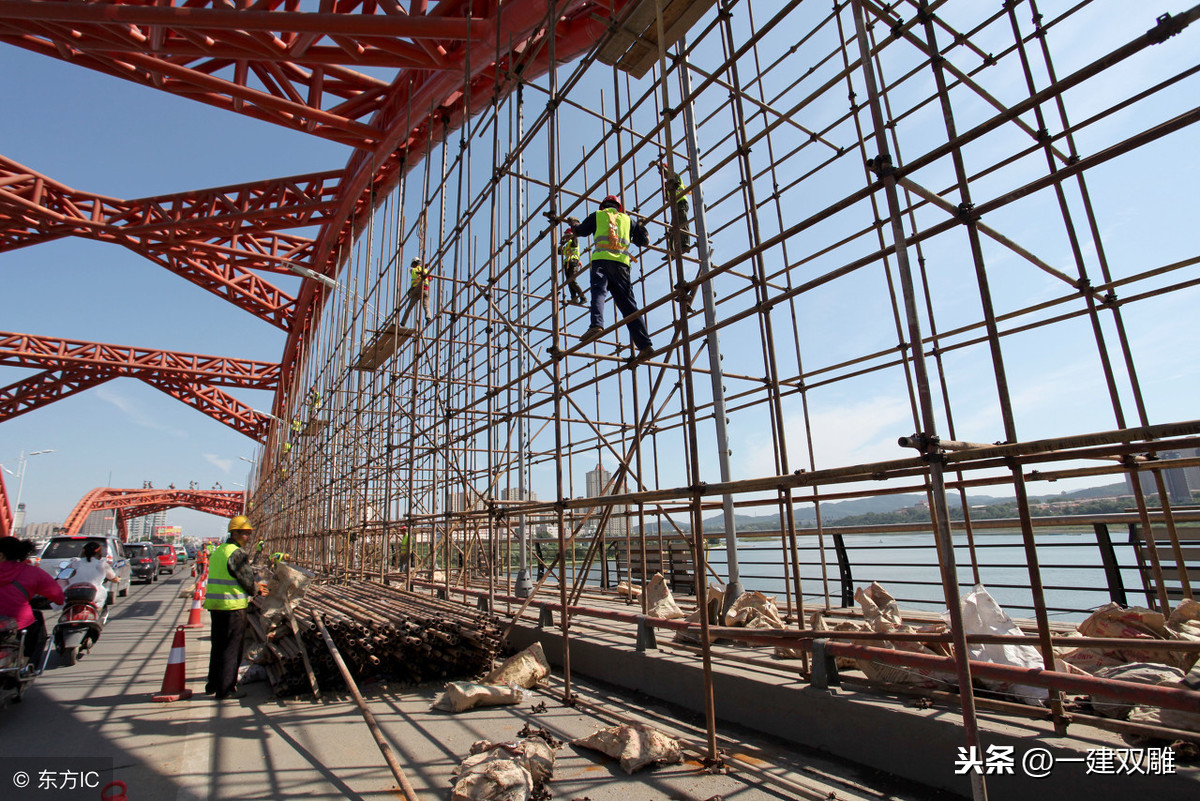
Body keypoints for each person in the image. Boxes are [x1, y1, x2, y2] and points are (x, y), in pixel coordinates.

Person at [570, 195, 653, 358]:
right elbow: (644, 242)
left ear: (603, 206)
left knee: (599, 293)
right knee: (629, 306)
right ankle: (645, 346)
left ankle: (596, 325)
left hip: (601, 261)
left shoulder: (598, 216)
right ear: (619, 208)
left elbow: (580, 231)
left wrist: (573, 223)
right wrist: (642, 227)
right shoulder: (628, 220)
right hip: (622, 265)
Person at [203, 515, 267, 699]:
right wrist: (257, 588)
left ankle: (213, 683)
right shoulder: (236, 553)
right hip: (232, 607)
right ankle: (226, 689)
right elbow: (246, 579)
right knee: (232, 649)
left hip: (216, 606)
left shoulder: (219, 551)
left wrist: (255, 587)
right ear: (235, 533)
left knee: (218, 646)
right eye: (245, 534)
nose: (248, 537)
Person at [0, 537, 65, 672]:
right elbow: (58, 596)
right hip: (20, 623)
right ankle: (29, 667)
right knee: (38, 631)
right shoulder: (31, 572)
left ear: (1, 555)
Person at [67, 541, 119, 609]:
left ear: (83, 552)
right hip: (95, 595)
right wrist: (117, 579)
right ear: (99, 553)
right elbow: (114, 578)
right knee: (101, 599)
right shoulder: (102, 564)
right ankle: (98, 613)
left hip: (73, 594)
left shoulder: (74, 563)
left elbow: (65, 575)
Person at [656, 162, 692, 252]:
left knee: (682, 222)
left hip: (681, 202)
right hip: (675, 204)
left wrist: (659, 165)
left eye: (663, 172)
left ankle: (685, 244)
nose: (662, 174)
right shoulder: (667, 183)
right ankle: (672, 250)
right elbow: (668, 198)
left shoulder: (673, 175)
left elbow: (668, 174)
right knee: (673, 227)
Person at [558, 217, 588, 306]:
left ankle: (583, 297)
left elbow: (574, 235)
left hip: (573, 262)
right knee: (569, 282)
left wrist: (571, 225)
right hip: (567, 264)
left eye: (567, 235)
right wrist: (561, 244)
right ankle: (574, 298)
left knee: (573, 281)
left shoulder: (573, 241)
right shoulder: (567, 245)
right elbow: (559, 251)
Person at [398, 257, 433, 326]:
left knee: (410, 307)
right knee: (426, 306)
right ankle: (428, 318)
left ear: (414, 263)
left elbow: (414, 275)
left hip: (416, 290)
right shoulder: (425, 270)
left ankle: (403, 322)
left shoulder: (413, 270)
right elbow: (430, 278)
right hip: (425, 290)